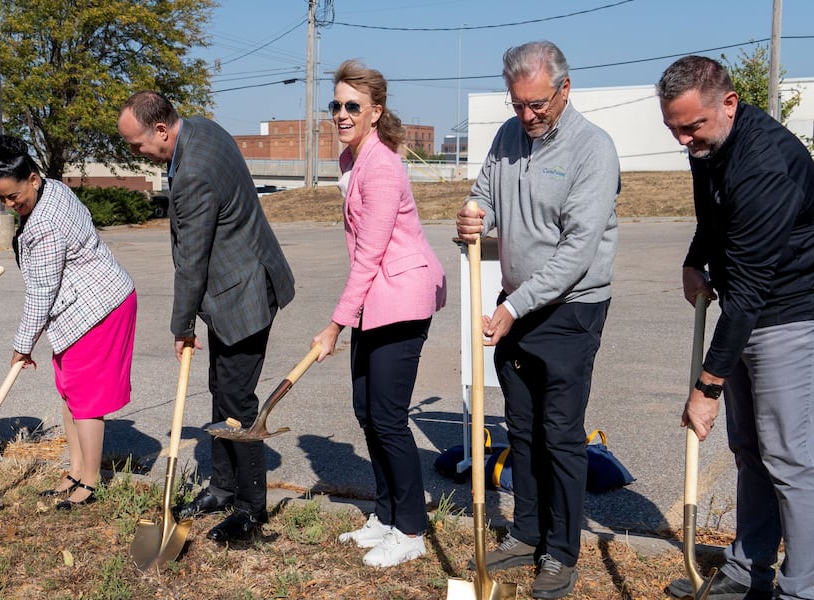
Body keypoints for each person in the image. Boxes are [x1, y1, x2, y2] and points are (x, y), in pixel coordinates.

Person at [659, 56, 814, 600]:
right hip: (753, 302)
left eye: (691, 126)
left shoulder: (764, 164)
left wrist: (706, 387)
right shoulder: (708, 142)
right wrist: (696, 256)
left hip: (798, 309)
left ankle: (805, 589)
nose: (683, 139)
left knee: (789, 456)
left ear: (729, 103)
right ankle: (749, 571)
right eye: (673, 127)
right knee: (748, 447)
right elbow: (714, 215)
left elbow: (745, 294)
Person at [455, 40, 620, 599]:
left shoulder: (593, 150)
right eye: (517, 103)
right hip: (516, 304)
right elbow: (484, 193)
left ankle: (560, 550)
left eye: (537, 105)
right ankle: (526, 532)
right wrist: (475, 214)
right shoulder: (507, 136)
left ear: (564, 90)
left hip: (570, 310)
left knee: (559, 434)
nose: (526, 116)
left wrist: (511, 308)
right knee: (520, 428)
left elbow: (576, 252)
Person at [117, 91, 295, 543]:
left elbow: (191, 262)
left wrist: (182, 327)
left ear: (161, 130)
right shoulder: (200, 128)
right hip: (238, 282)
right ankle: (222, 487)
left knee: (236, 402)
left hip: (244, 293)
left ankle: (252, 509)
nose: (135, 154)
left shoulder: (192, 173)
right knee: (221, 390)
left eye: (137, 144)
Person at [311, 60, 447, 568]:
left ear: (375, 112)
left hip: (403, 298)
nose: (342, 114)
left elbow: (370, 252)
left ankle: (411, 529)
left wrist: (334, 326)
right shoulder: (352, 161)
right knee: (368, 412)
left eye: (352, 106)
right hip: (376, 300)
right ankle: (387, 516)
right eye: (337, 106)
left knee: (388, 419)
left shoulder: (383, 166)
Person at [0, 135, 138, 511]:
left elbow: (42, 292)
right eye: (3, 199)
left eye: (14, 197)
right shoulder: (52, 188)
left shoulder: (44, 226)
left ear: (33, 179)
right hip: (85, 303)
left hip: (98, 307)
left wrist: (22, 346)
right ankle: (75, 471)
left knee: (87, 399)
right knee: (71, 391)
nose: (10, 206)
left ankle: (89, 482)